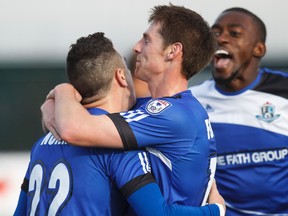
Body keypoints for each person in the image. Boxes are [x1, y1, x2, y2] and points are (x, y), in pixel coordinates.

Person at [14, 32, 224, 215]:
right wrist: (215, 211)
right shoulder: (118, 148)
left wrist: (61, 92)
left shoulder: (41, 144)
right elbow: (159, 213)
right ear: (121, 77)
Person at [189, 7, 288, 215]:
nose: (221, 39)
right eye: (215, 33)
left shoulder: (283, 91)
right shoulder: (192, 101)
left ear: (258, 49)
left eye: (234, 33)